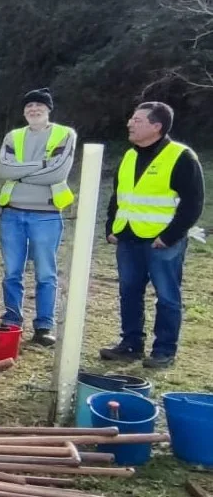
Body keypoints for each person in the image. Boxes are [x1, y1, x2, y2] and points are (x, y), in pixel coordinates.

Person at [100, 102, 204, 369]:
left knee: (167, 296)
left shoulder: (181, 156)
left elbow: (193, 204)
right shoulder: (129, 156)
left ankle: (164, 351)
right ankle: (131, 344)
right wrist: (111, 227)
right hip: (128, 237)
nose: (129, 124)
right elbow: (118, 196)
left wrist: (169, 237)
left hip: (162, 242)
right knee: (129, 292)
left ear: (156, 126)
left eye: (137, 120)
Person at [0, 89, 76, 346]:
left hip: (47, 214)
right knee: (12, 272)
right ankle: (12, 319)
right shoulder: (13, 136)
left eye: (39, 105)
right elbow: (3, 170)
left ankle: (44, 326)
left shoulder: (65, 134)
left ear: (48, 109)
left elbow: (57, 173)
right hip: (12, 212)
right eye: (29, 105)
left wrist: (20, 173)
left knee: (45, 274)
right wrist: (42, 164)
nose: (34, 109)